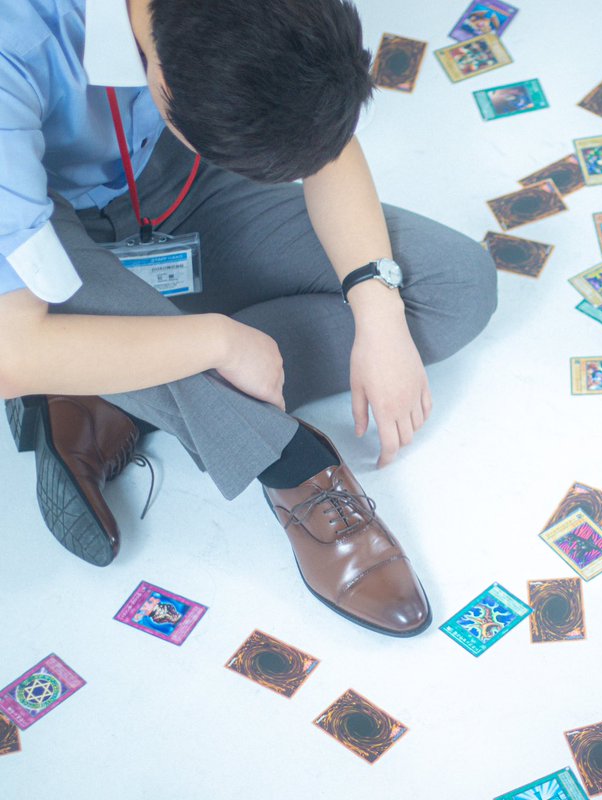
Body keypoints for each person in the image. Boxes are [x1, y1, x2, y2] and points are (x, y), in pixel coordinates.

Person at [0, 0, 498, 637]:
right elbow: (11, 354)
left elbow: (320, 139)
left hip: (174, 179)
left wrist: (377, 312)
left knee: (455, 286)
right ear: (166, 81)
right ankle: (292, 462)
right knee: (39, 327)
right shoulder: (16, 45)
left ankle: (116, 394)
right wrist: (217, 341)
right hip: (42, 225)